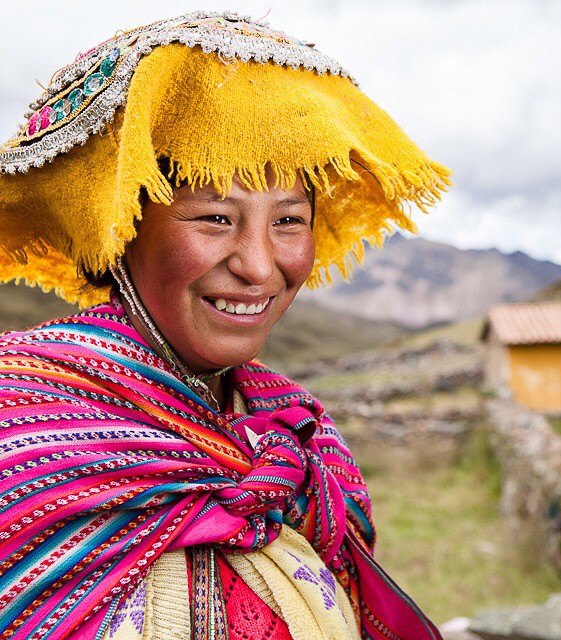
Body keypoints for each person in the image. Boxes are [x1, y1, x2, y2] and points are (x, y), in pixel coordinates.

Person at [0, 11, 451, 640]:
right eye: (214, 218)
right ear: (122, 231)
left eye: (289, 220)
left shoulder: (303, 442)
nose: (260, 265)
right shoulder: (19, 426)